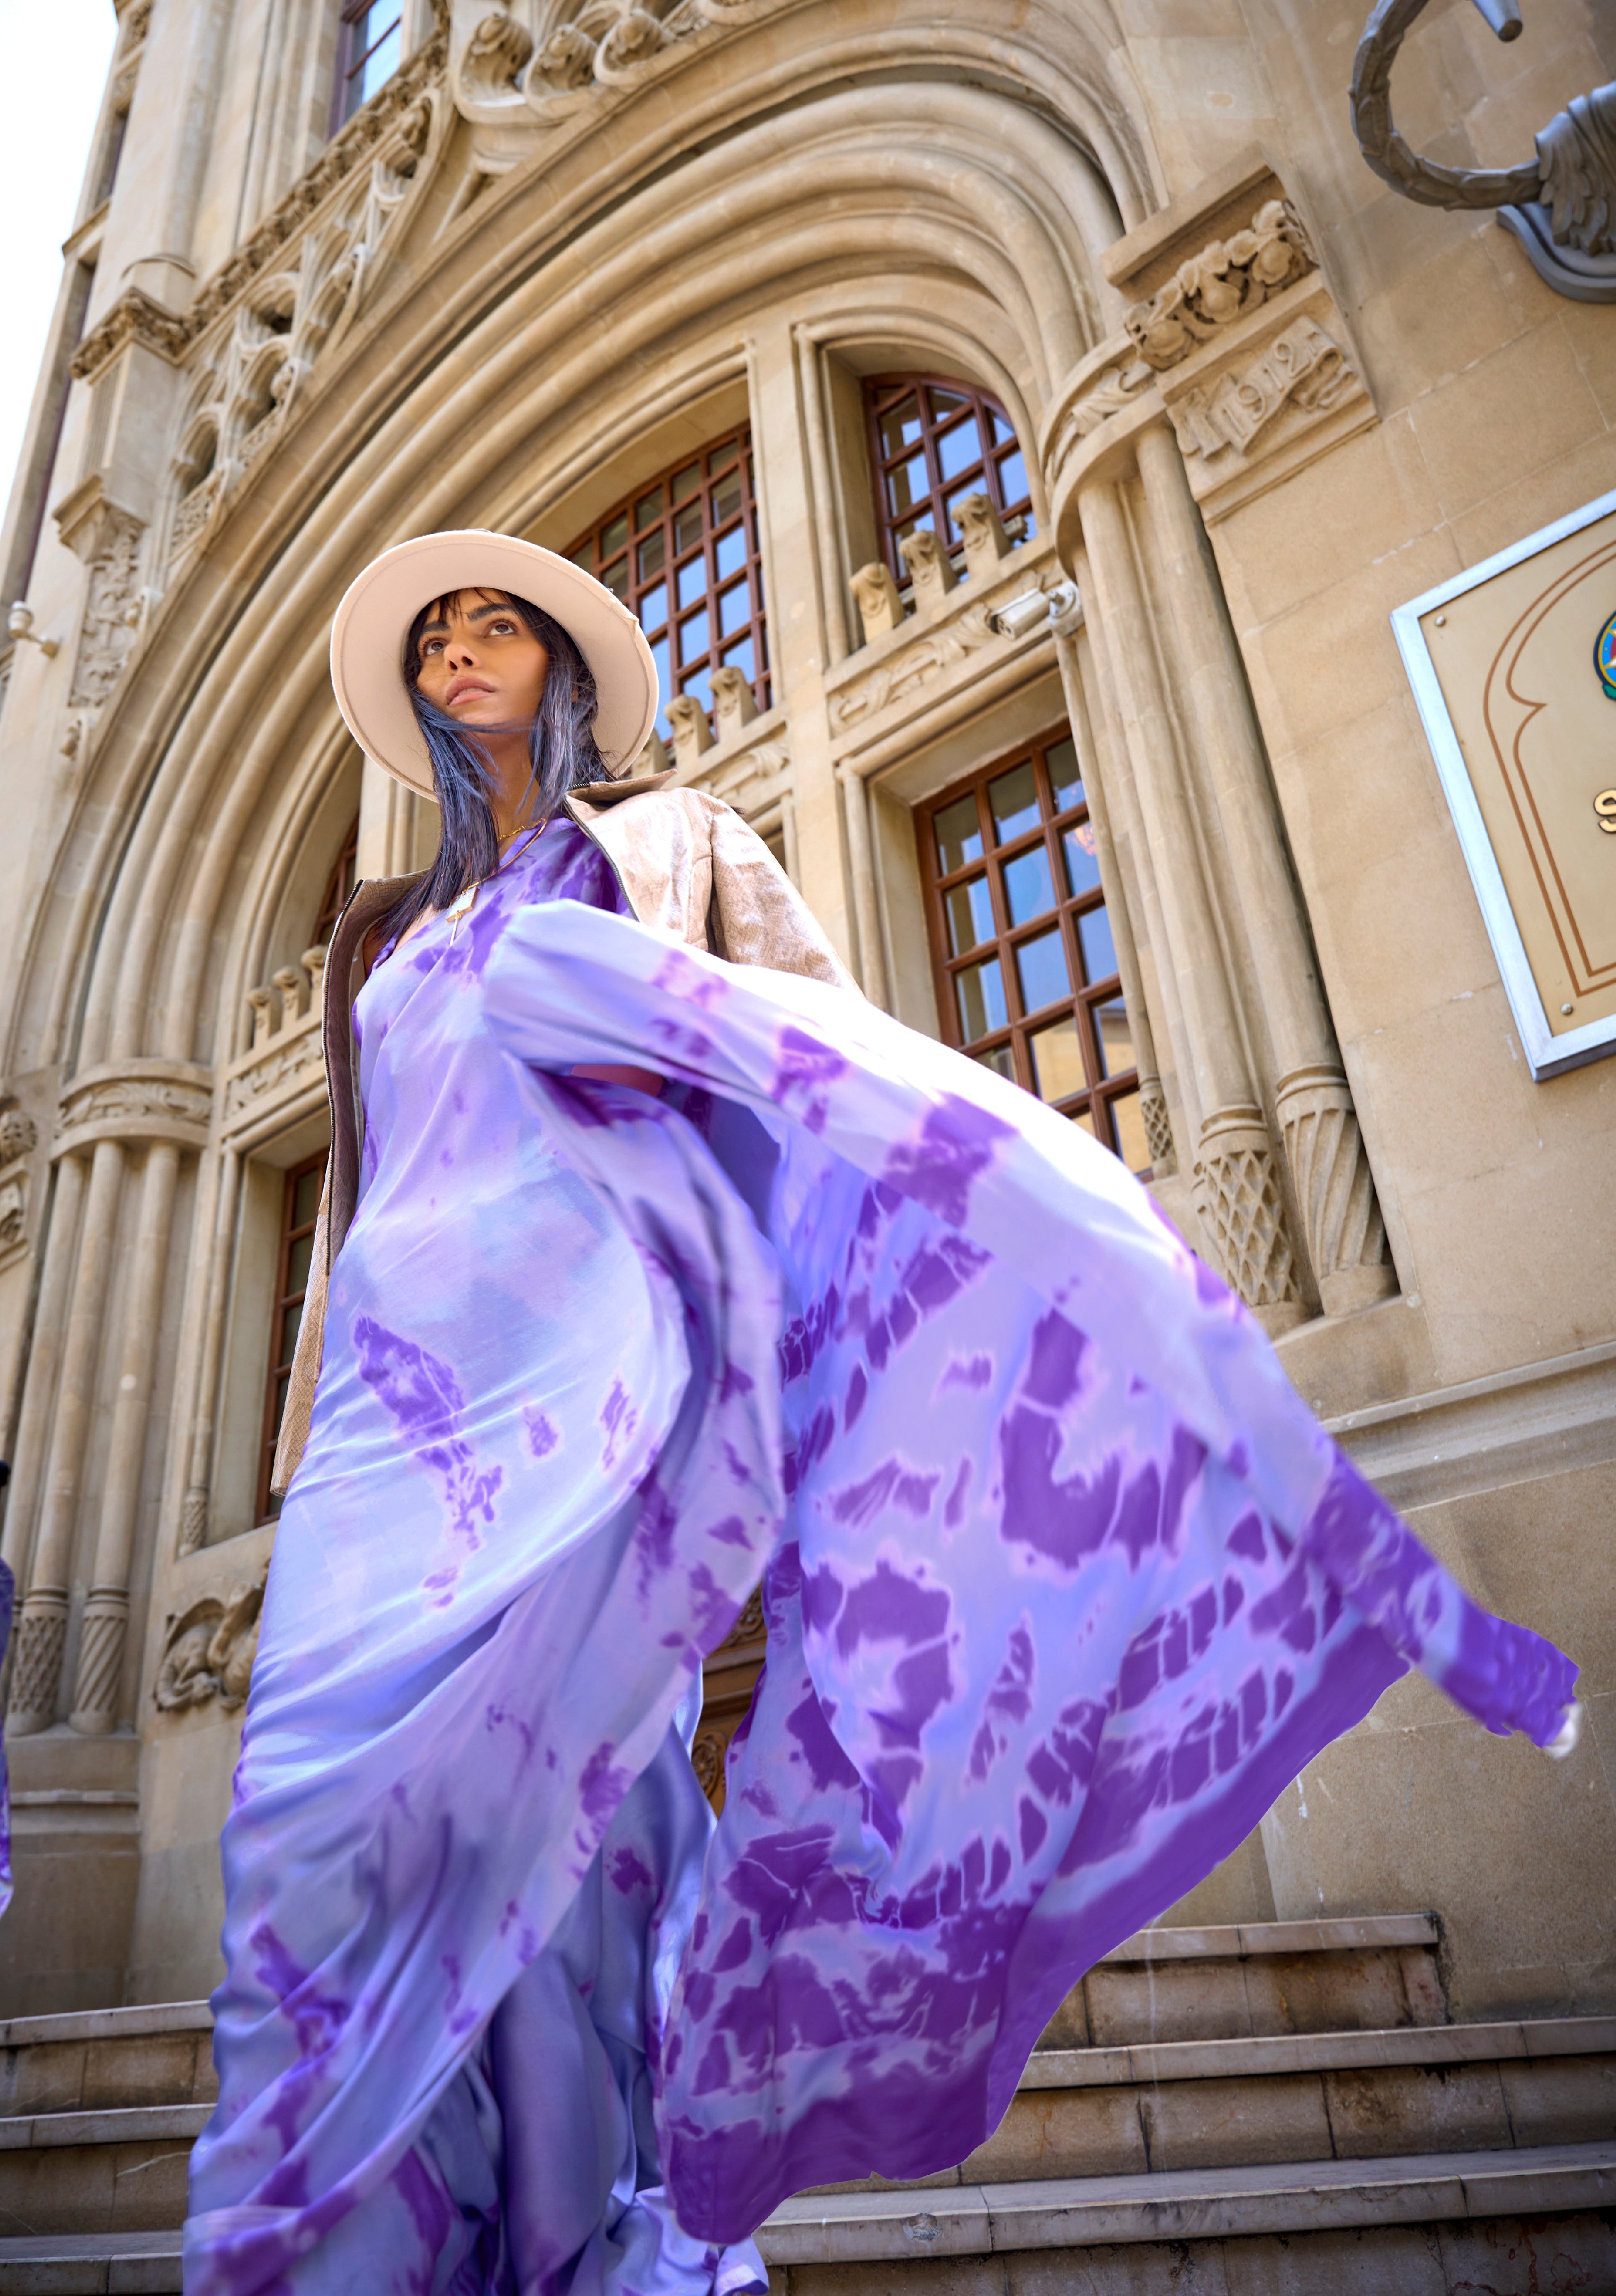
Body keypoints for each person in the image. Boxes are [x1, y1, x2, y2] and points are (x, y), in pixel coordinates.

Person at [185, 531, 1579, 2296]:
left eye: (494, 625)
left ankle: (563, 2240)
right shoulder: (379, 937)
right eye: (435, 638)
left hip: (592, 1420)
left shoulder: (669, 846)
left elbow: (820, 1066)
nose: (459, 650)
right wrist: (313, 1445)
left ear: (561, 666)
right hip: (394, 1434)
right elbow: (365, 1200)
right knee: (305, 1850)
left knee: (572, 1843)